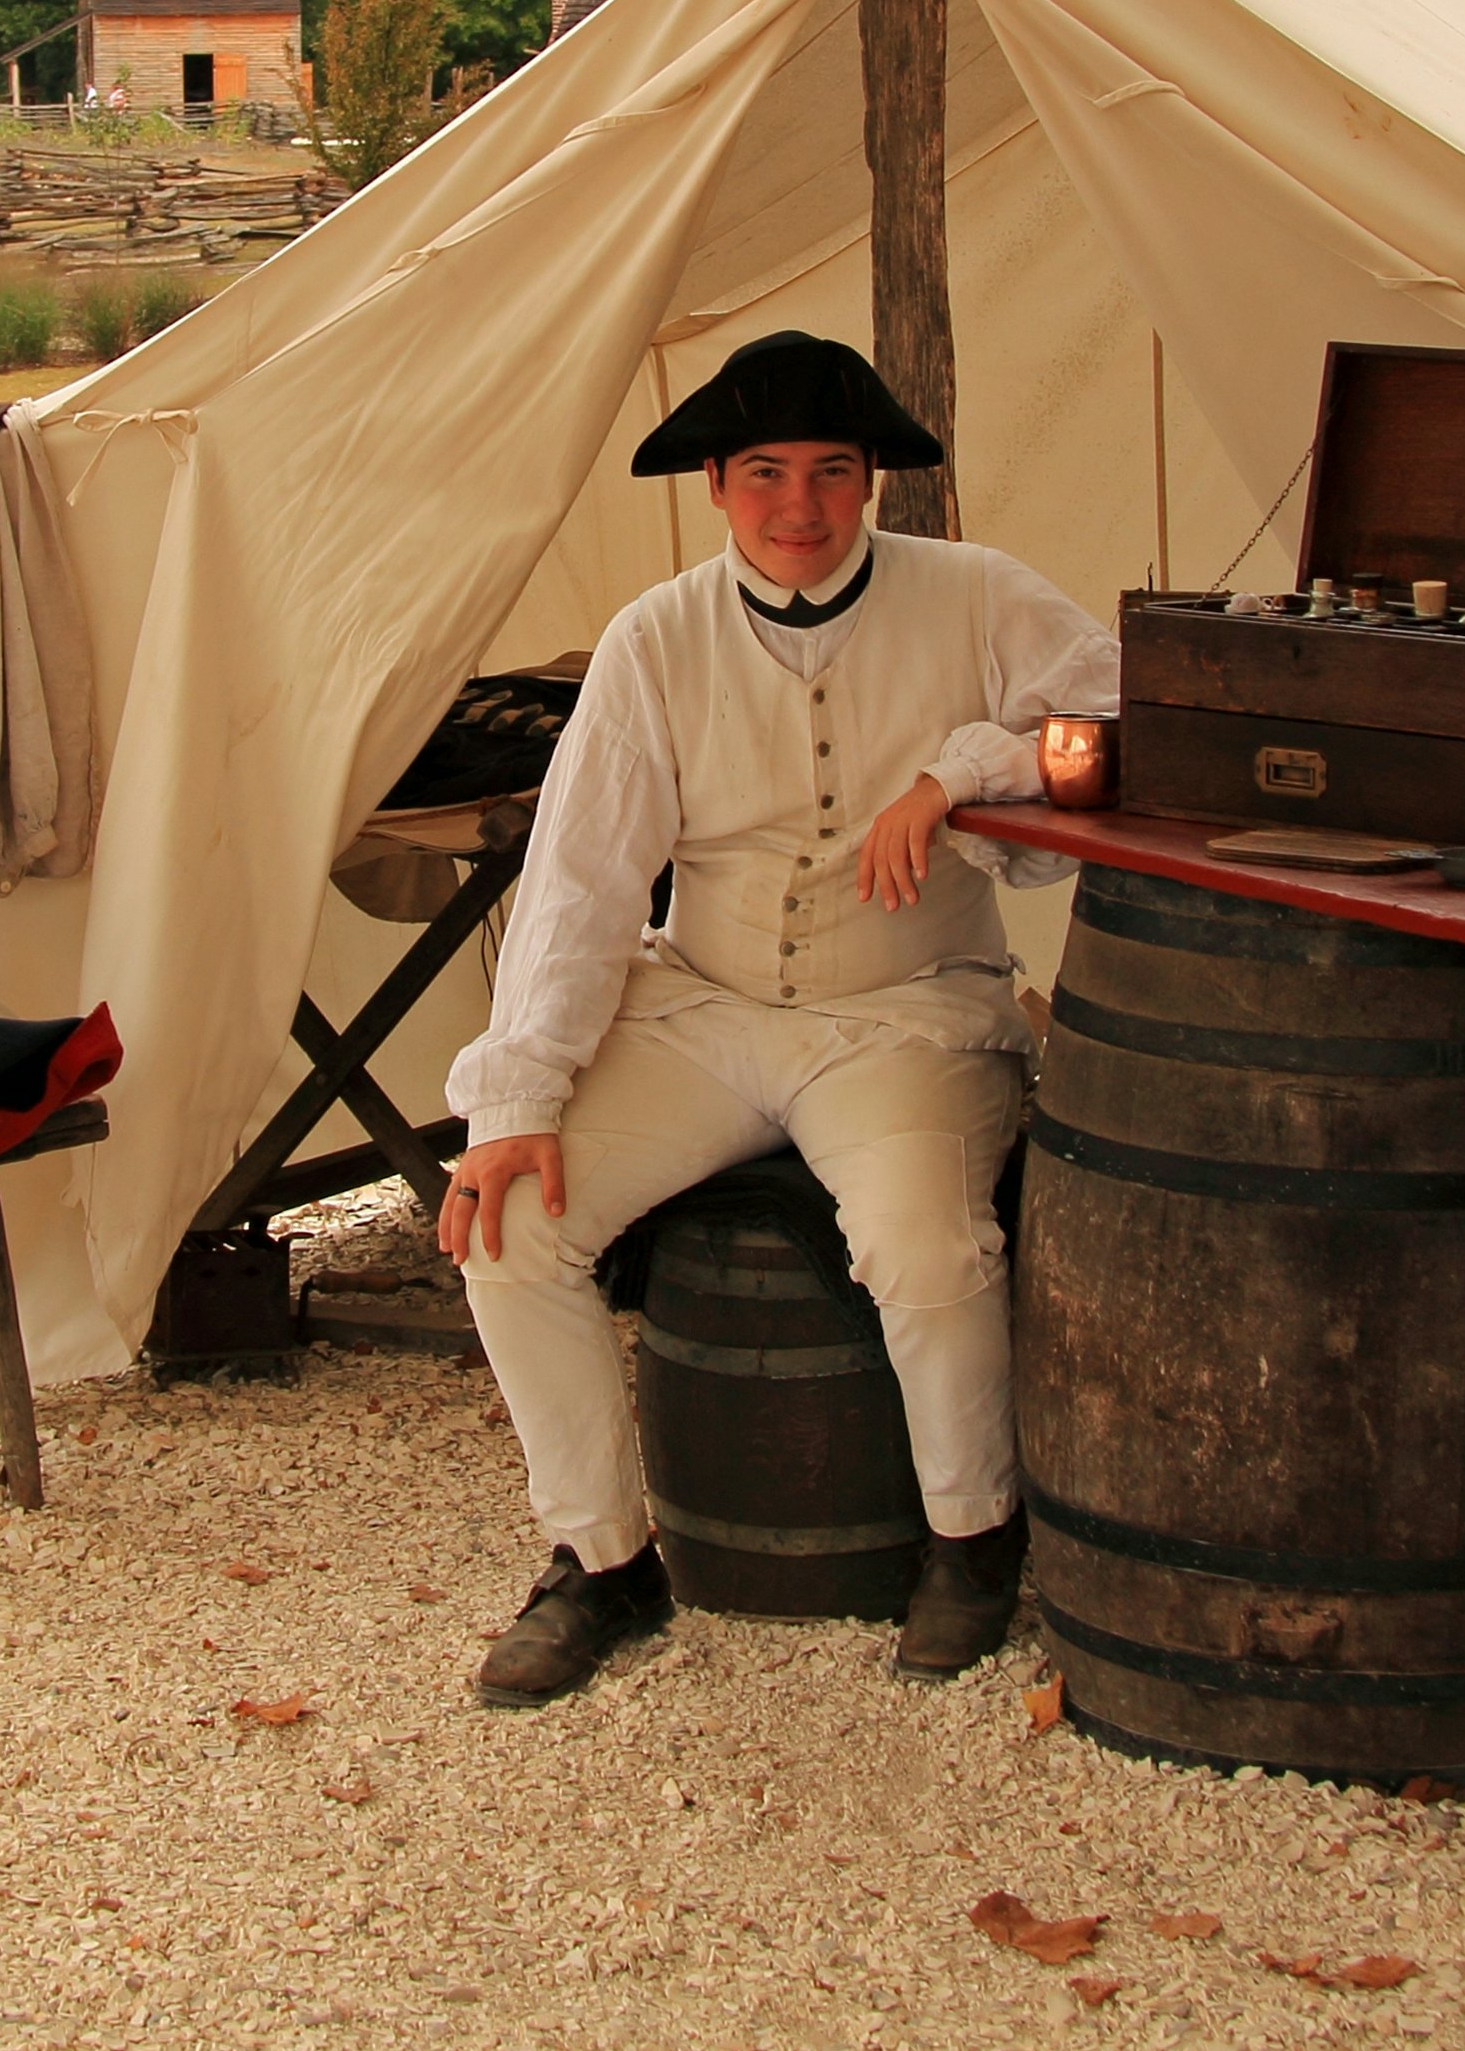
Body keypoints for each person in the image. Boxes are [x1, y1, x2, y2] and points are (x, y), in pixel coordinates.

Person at [437, 330, 1116, 1707]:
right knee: (509, 1222)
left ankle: (971, 1539)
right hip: (709, 1006)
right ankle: (602, 1557)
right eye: (763, 473)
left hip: (903, 1013)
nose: (797, 506)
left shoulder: (978, 595)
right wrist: (515, 1101)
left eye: (827, 471)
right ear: (714, 486)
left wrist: (963, 772)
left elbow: (1117, 716)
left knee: (924, 1245)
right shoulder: (653, 638)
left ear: (871, 480)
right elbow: (580, 879)